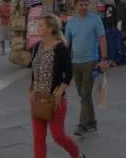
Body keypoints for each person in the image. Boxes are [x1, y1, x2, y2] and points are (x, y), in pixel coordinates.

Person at [28, 15, 84, 158]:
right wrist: (32, 87)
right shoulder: (36, 47)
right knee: (38, 139)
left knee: (58, 136)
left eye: (41, 25)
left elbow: (68, 73)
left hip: (55, 99)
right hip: (37, 98)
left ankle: (76, 154)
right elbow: (35, 69)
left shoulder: (60, 48)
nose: (37, 28)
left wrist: (59, 93)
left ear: (50, 28)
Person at [65, 0, 109, 136]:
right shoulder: (71, 22)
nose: (84, 7)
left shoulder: (95, 20)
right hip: (74, 62)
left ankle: (82, 125)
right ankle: (92, 122)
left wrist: (103, 59)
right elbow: (67, 43)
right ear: (75, 6)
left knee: (85, 94)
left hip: (91, 61)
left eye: (86, 5)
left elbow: (102, 39)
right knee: (83, 94)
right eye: (81, 5)